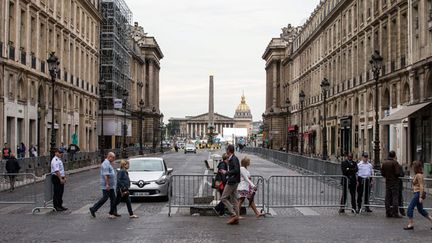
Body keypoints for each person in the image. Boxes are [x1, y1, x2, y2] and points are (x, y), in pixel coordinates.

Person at [89, 152, 119, 219]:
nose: (114, 159)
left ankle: (113, 212)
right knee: (105, 198)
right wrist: (107, 184)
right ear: (109, 157)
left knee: (113, 199)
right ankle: (93, 209)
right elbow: (106, 175)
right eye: (113, 158)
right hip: (106, 185)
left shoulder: (108, 163)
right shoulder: (105, 164)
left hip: (110, 185)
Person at [403, 161, 432, 230]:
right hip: (417, 193)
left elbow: (421, 186)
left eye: (413, 166)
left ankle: (410, 224)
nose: (412, 167)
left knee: (410, 208)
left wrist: (421, 197)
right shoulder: (417, 175)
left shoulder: (419, 175)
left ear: (415, 167)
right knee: (421, 210)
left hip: (418, 193)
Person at [220, 144, 241, 225]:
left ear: (229, 150)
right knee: (235, 201)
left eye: (226, 149)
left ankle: (233, 214)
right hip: (235, 181)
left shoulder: (234, 159)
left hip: (232, 181)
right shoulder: (232, 158)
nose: (226, 150)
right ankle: (237, 218)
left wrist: (226, 172)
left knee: (223, 198)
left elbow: (236, 170)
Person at [381, 151, 402, 218]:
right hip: (394, 182)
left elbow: (382, 173)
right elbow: (398, 173)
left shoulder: (384, 163)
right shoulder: (395, 163)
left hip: (388, 182)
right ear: (394, 156)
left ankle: (388, 212)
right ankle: (395, 213)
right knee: (395, 198)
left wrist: (387, 176)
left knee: (387, 197)